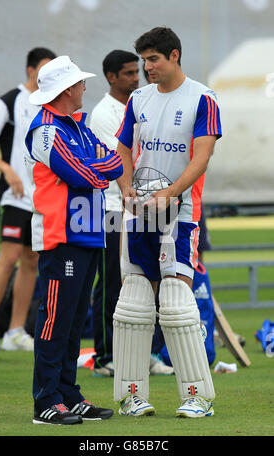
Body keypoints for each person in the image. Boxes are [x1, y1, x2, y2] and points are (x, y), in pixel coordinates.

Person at [113, 27, 222, 418]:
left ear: (174, 55)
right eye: (143, 60)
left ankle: (198, 397)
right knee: (134, 302)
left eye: (153, 59)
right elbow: (124, 146)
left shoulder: (203, 98)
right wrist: (126, 187)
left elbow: (201, 157)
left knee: (176, 302)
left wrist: (171, 193)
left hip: (180, 215)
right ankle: (130, 396)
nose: (146, 67)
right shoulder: (139, 98)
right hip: (139, 213)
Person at [24, 55, 123, 425]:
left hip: (88, 235)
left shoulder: (78, 126)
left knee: (72, 318)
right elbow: (80, 174)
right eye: (80, 83)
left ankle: (67, 394)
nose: (85, 87)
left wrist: (93, 168)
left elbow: (113, 164)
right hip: (60, 235)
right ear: (67, 89)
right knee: (55, 320)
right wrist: (94, 168)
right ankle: (46, 401)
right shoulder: (46, 129)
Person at [89, 49, 173, 377]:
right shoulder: (104, 113)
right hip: (113, 207)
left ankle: (147, 353)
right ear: (111, 77)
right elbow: (119, 159)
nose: (136, 77)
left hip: (147, 207)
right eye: (127, 73)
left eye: (136, 71)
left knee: (147, 279)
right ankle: (106, 355)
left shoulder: (142, 104)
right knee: (113, 282)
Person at [0, 47, 56, 351]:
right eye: (43, 70)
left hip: (42, 197)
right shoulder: (9, 101)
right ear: (30, 70)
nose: (46, 76)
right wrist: (7, 169)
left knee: (31, 260)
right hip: (14, 195)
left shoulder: (52, 104)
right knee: (7, 259)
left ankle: (15, 331)